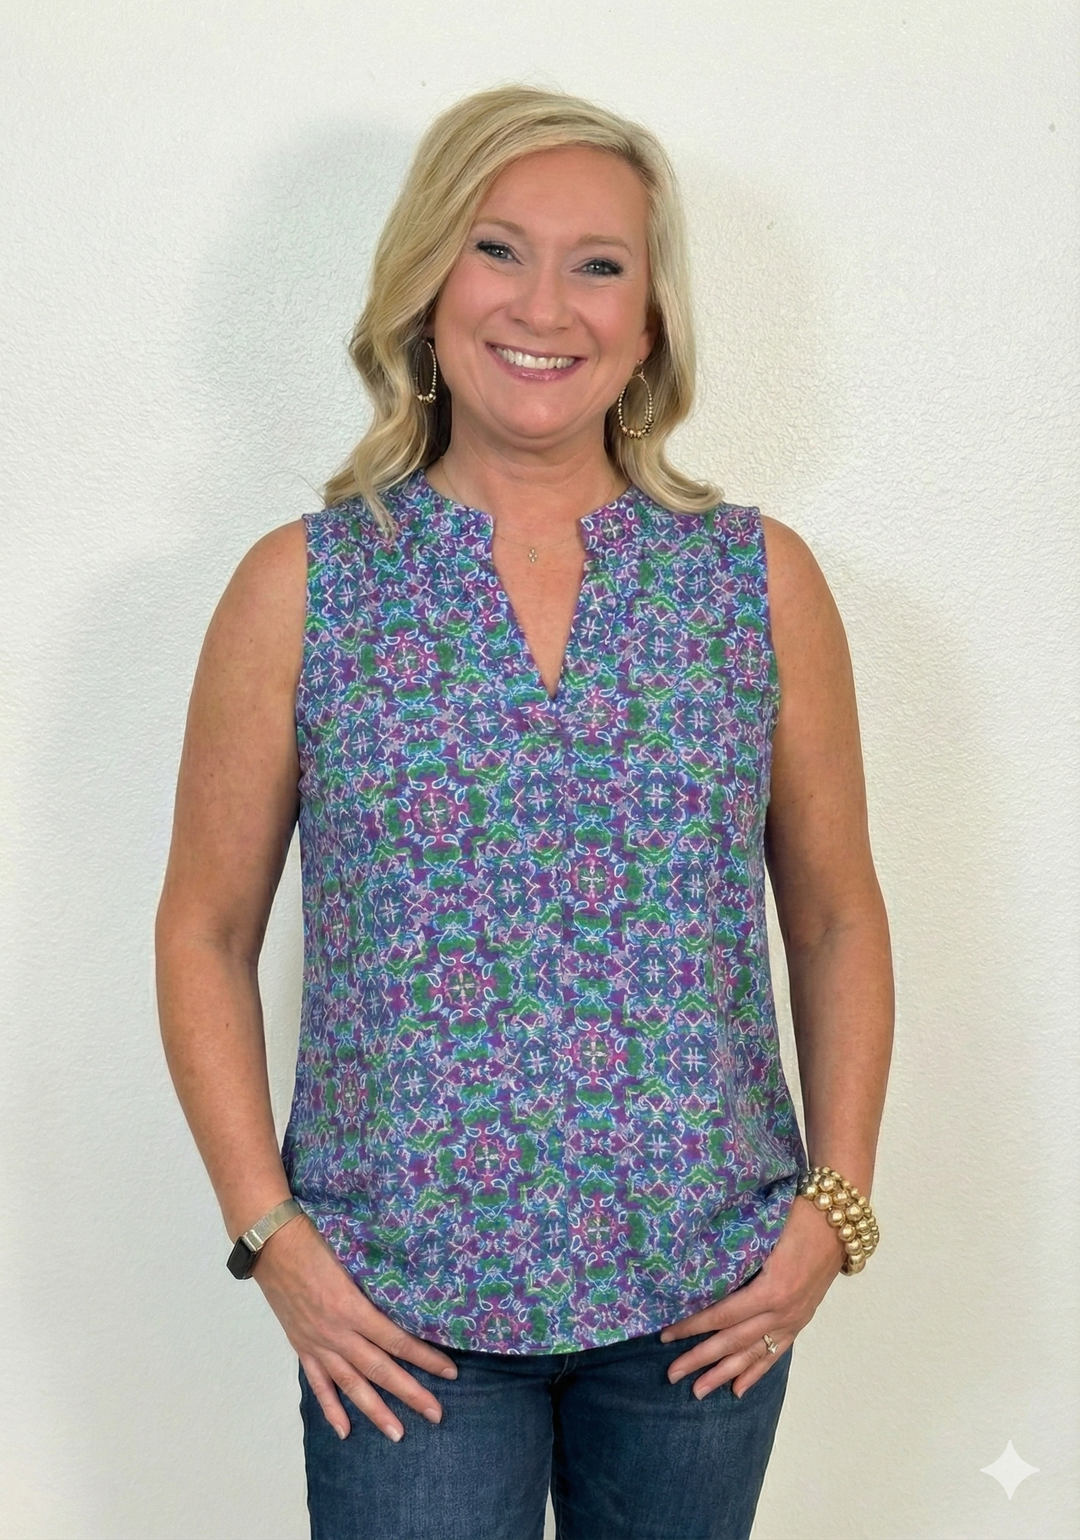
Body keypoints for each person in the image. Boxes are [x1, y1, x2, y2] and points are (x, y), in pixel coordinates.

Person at [156, 84, 893, 1540]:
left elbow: (835, 910)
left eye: (600, 263)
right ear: (428, 283)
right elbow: (204, 926)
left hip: (707, 1295)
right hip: (401, 1309)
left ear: (651, 317)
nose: (545, 303)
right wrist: (273, 1240)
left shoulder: (757, 583)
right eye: (499, 248)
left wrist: (835, 1214)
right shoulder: (304, 587)